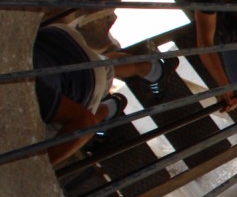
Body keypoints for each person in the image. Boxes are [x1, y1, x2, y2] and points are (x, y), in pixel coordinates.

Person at [33, 25, 166, 164]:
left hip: (85, 77)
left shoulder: (33, 92)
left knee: (48, 133)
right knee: (100, 66)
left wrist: (40, 165)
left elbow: (84, 122)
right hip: (58, 37)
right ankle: (153, 70)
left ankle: (106, 110)